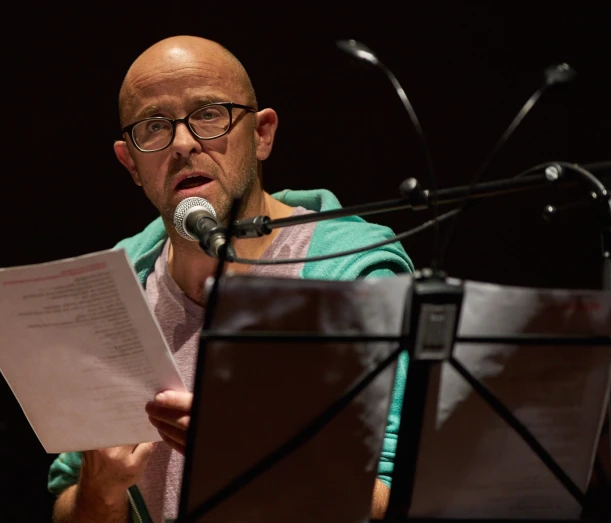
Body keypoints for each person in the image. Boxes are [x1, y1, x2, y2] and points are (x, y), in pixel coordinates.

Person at [48, 35, 414, 523]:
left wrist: (248, 456)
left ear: (262, 134)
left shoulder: (354, 275)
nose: (182, 144)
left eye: (209, 114)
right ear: (130, 162)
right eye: (153, 127)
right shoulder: (116, 289)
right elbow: (68, 502)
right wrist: (99, 492)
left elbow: (393, 498)